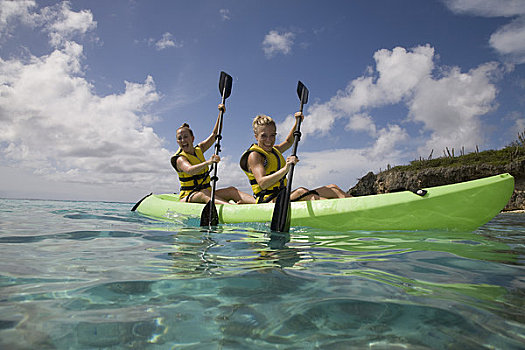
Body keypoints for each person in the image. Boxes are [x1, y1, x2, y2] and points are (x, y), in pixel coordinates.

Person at [239, 111, 350, 203]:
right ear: (256, 136)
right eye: (264, 136)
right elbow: (263, 183)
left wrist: (297, 122)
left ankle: (360, 206)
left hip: (281, 195)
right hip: (268, 200)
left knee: (332, 188)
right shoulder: (255, 155)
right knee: (301, 191)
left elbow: (288, 142)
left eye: (272, 135)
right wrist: (286, 169)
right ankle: (341, 211)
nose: (269, 140)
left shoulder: (274, 150)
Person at [171, 104, 255, 204]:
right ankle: (232, 208)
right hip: (190, 196)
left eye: (185, 137)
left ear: (192, 138)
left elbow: (215, 134)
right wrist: (209, 162)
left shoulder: (199, 149)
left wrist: (221, 113)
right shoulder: (180, 159)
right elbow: (190, 170)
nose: (183, 140)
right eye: (179, 138)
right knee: (204, 193)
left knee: (231, 190)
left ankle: (259, 204)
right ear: (177, 142)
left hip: (207, 192)